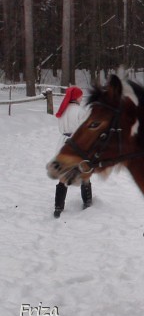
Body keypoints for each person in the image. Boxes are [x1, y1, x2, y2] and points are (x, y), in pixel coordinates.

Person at [53, 86, 92, 218]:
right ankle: (88, 203)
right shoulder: (80, 111)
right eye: (81, 96)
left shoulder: (63, 110)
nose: (82, 98)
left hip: (63, 144)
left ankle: (58, 207)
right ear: (76, 97)